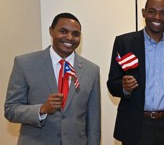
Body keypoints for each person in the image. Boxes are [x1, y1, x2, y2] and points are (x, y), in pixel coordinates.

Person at [107, 0, 164, 145]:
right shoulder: (124, 42)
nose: (157, 17)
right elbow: (112, 84)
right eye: (152, 11)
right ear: (143, 13)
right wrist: (124, 87)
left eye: (163, 13)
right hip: (136, 125)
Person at [4, 13, 101, 145]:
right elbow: (11, 110)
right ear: (51, 31)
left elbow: (93, 121)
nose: (69, 37)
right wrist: (42, 109)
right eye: (63, 31)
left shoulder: (92, 70)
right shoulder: (24, 64)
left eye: (76, 34)